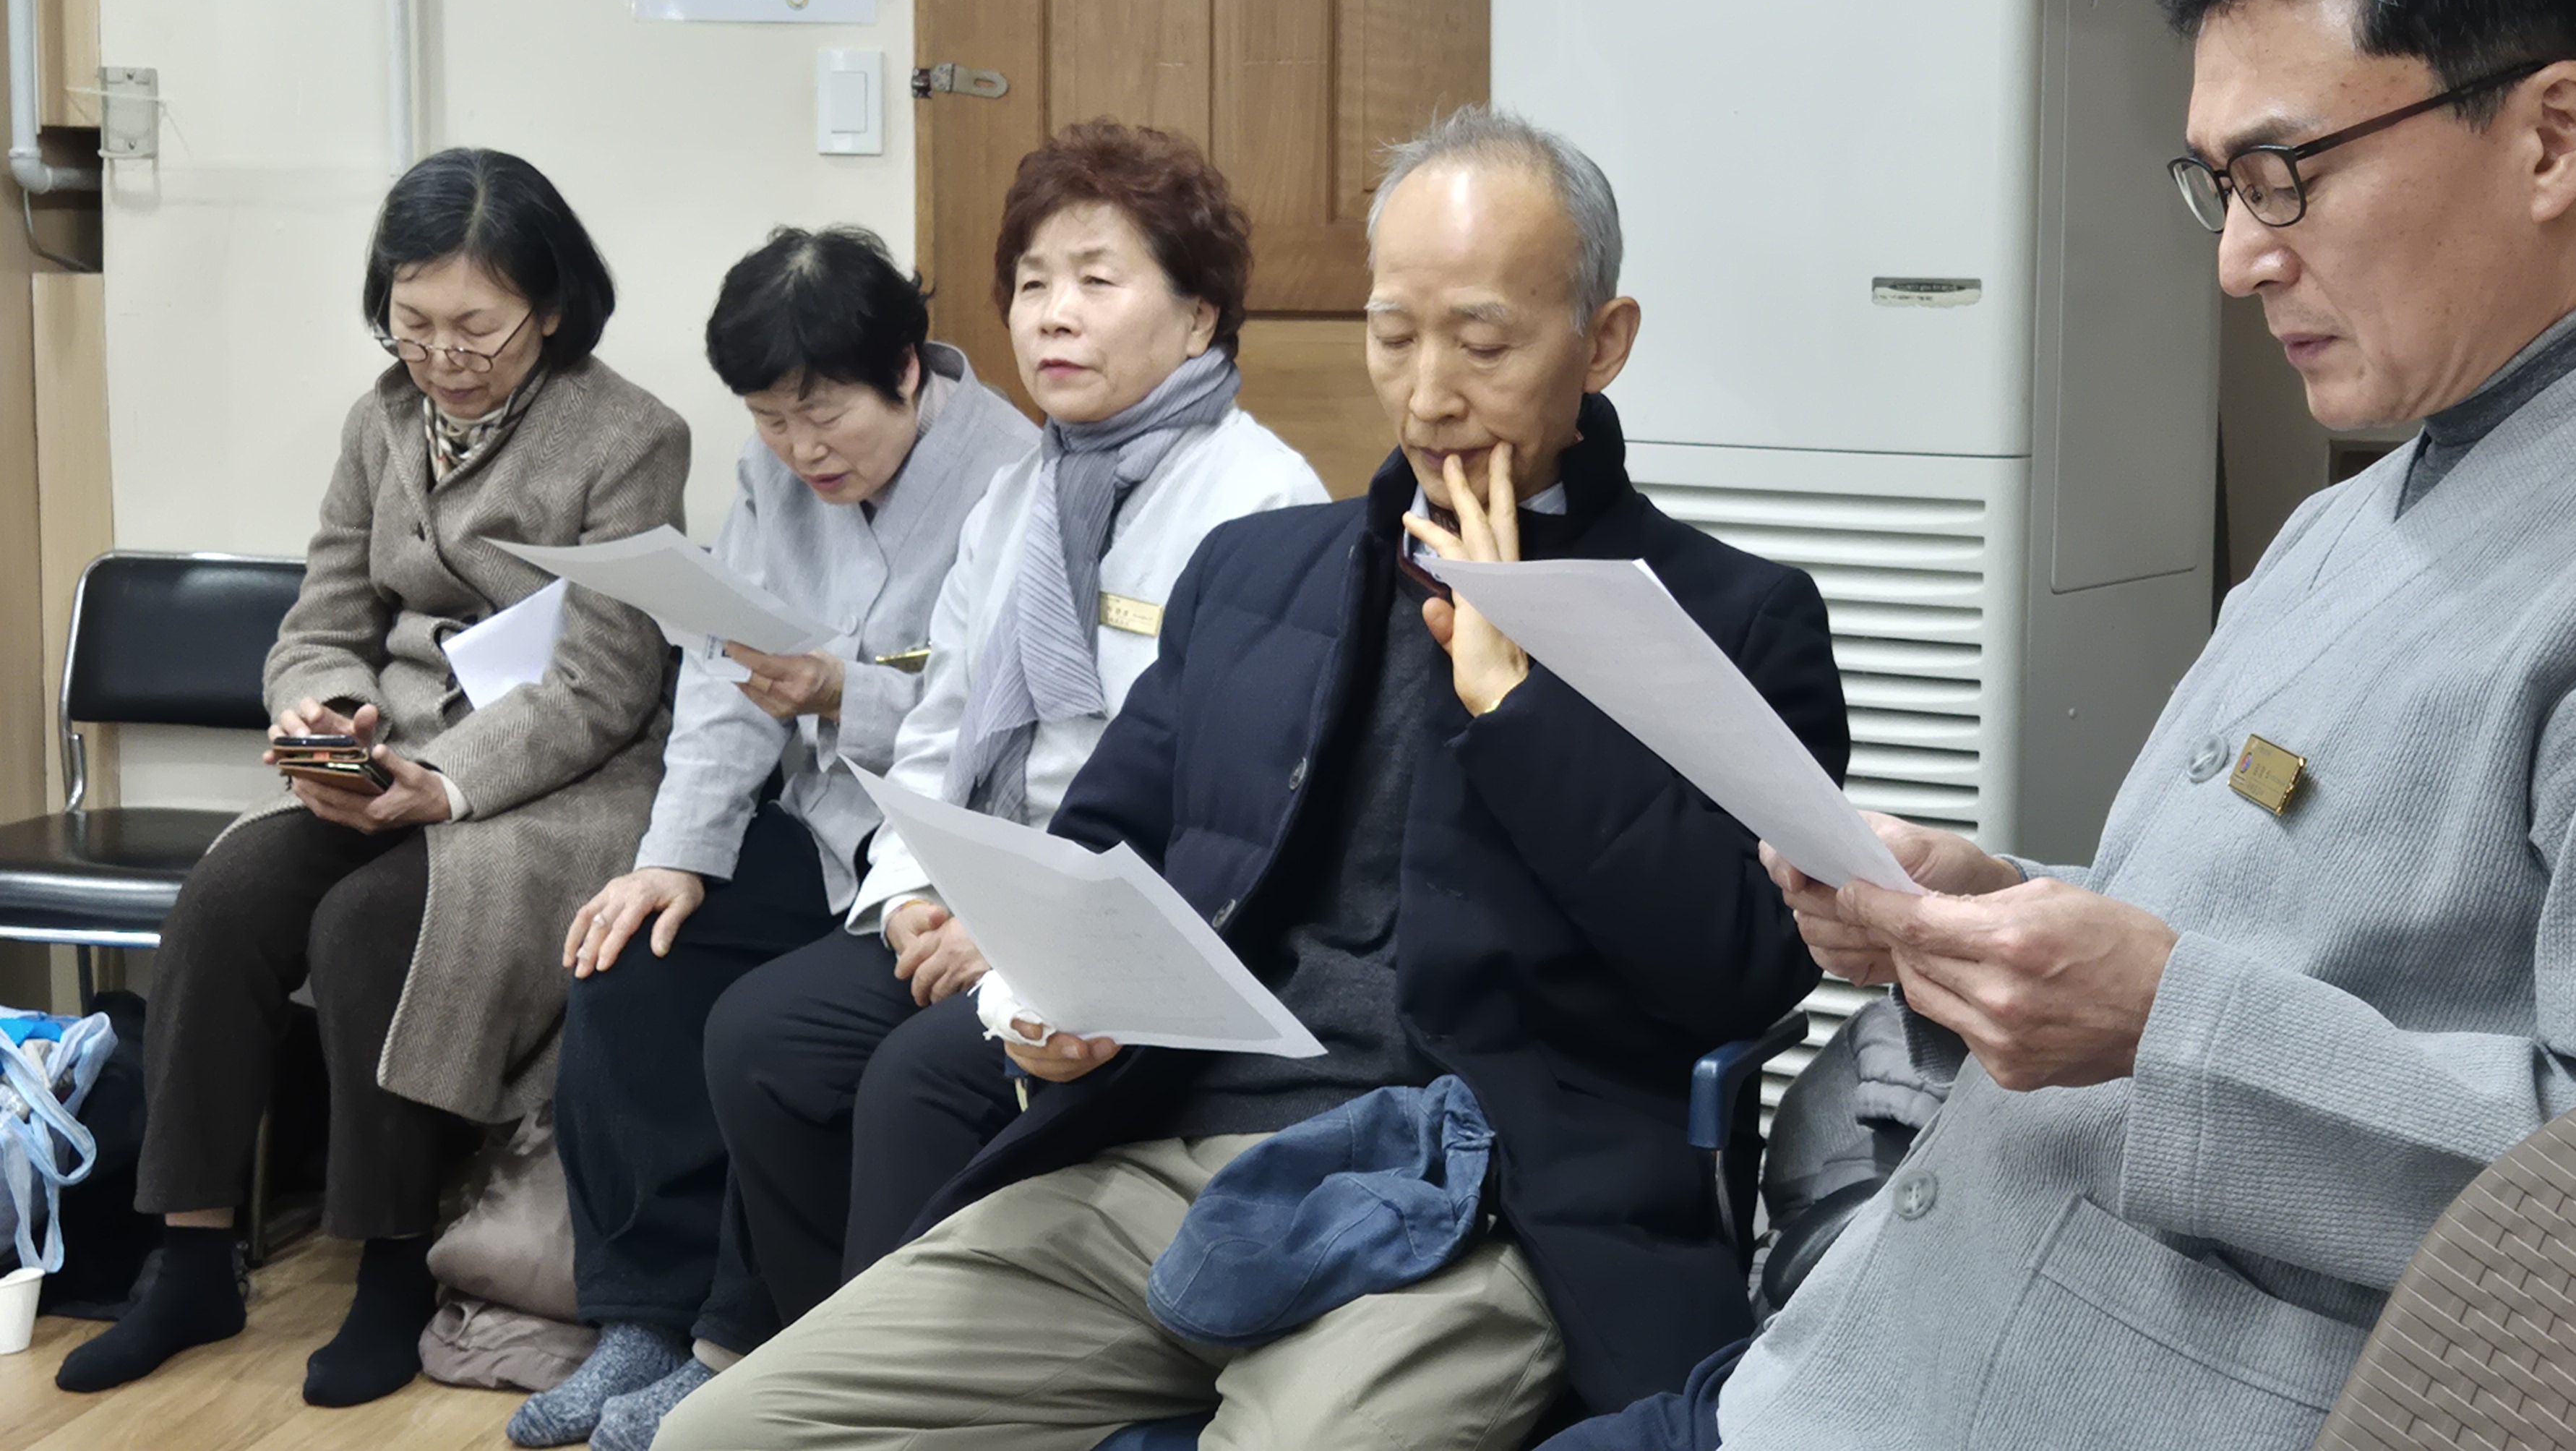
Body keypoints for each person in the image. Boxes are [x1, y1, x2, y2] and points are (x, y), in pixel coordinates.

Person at [1550, 0, 2576, 1449]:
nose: (2241, 257)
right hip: (1871, 1357)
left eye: (2284, 175)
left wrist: (2161, 1022)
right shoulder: (2370, 499)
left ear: (2549, 133)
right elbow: (2289, 935)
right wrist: (1998, 908)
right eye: (2220, 186)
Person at [656, 106, 1850, 1451]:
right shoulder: (1260, 569)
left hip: (1490, 1203)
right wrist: (1051, 999)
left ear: (1604, 341)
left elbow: (1736, 972)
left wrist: (1519, 706)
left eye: (1485, 343)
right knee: (725, 1436)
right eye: (1393, 335)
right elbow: (1096, 850)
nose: (1430, 395)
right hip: (1180, 1160)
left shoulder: (1730, 617)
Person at [662, 118, 1326, 1431]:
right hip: (981, 896)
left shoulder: (1261, 505)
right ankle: (810, 1362)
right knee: (762, 1036)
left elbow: (1225, 810)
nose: (1051, 316)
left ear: (1199, 319)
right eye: (1031, 283)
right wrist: (912, 892)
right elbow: (941, 729)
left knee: (918, 1080)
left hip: (1132, 932)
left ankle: (912, 1409)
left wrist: (1024, 928)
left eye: (1096, 280)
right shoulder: (1024, 493)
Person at [57, 149, 692, 1407]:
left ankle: (391, 1264)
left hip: (562, 781)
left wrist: (441, 783)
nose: (442, 354)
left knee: (369, 928)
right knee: (227, 899)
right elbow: (323, 618)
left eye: (476, 327)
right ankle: (190, 1258)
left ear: (550, 305)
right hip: (386, 747)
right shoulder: (381, 419)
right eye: (413, 321)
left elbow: (606, 683)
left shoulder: (630, 436)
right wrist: (317, 709)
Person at [519, 226, 1034, 1451]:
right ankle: (641, 1317)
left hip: (941, 845)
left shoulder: (1014, 471)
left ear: (906, 369)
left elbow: (990, 706)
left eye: (824, 414)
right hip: (815, 820)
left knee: (783, 1030)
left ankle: (738, 1345)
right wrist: (675, 856)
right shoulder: (774, 477)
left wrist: (846, 687)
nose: (803, 451)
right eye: (770, 420)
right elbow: (723, 670)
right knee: (629, 960)